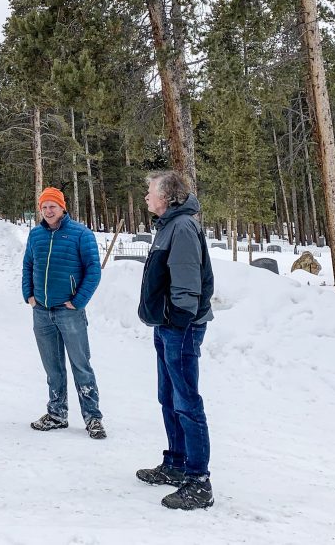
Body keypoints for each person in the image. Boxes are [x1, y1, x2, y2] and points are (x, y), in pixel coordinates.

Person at [136, 170, 215, 510]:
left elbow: (186, 281)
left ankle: (199, 480)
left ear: (166, 197)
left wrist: (177, 318)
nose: (146, 197)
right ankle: (176, 463)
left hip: (180, 327)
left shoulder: (181, 227)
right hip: (168, 324)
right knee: (168, 396)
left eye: (150, 192)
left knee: (186, 401)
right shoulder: (169, 225)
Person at [21, 186, 105, 440]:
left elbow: (93, 270)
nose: (48, 211)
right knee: (53, 368)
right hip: (42, 312)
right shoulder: (35, 235)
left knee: (81, 365)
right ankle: (57, 413)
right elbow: (28, 264)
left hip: (69, 312)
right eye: (44, 206)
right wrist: (29, 294)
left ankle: (93, 418)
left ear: (62, 207)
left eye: (52, 206)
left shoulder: (81, 234)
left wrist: (78, 301)